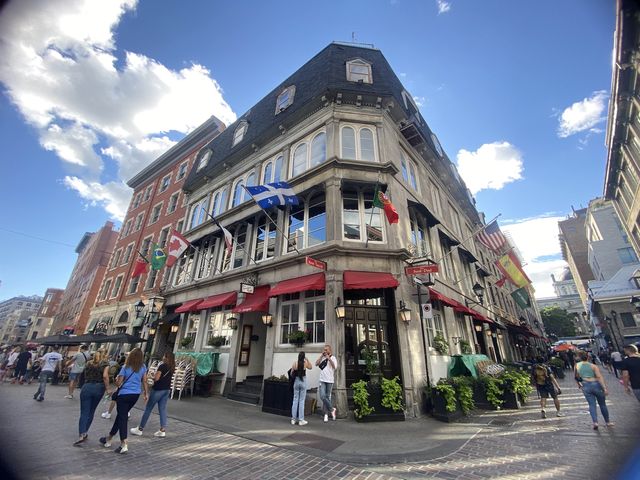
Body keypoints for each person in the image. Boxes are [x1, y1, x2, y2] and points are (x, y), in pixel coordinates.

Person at [100, 348, 148, 454]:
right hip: (135, 395)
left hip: (124, 394)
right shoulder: (143, 367)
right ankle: (109, 438)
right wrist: (146, 393)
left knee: (122, 418)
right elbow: (144, 380)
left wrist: (115, 380)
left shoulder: (125, 367)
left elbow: (119, 383)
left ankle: (124, 443)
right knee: (121, 416)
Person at [130, 352, 175, 438]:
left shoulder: (162, 366)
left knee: (148, 408)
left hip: (158, 389)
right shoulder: (172, 367)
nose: (162, 356)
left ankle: (140, 429)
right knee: (162, 409)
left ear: (166, 357)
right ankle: (162, 430)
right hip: (166, 390)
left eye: (164, 355)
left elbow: (157, 378)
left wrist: (152, 377)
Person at [74, 349, 111, 446]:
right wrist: (108, 389)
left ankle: (82, 433)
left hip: (87, 386)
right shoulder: (105, 363)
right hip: (99, 387)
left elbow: (83, 374)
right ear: (105, 354)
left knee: (84, 412)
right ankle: (85, 431)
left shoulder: (89, 363)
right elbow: (105, 376)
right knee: (91, 411)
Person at [575, 351, 612, 429]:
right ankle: (607, 422)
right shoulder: (593, 366)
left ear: (579, 357)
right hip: (596, 384)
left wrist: (579, 385)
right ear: (588, 357)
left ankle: (595, 422)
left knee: (592, 405)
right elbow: (599, 377)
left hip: (585, 385)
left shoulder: (577, 366)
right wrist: (604, 388)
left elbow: (576, 377)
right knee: (602, 404)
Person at [315, 344, 338, 422]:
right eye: (324, 350)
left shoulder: (333, 358)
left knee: (327, 397)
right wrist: (321, 356)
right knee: (322, 396)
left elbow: (335, 367)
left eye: (326, 350)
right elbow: (316, 364)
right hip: (322, 380)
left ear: (330, 350)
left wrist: (329, 359)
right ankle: (332, 409)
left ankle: (326, 414)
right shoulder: (323, 358)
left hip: (330, 380)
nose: (325, 351)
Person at [101, 354, 127, 419]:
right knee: (126, 402)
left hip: (122, 386)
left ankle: (109, 413)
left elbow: (119, 379)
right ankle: (127, 413)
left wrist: (116, 381)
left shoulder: (124, 367)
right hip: (132, 389)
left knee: (114, 398)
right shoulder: (140, 367)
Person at [290, 351, 312, 426]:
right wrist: (307, 359)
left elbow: (291, 372)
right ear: (304, 357)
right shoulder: (305, 363)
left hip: (296, 381)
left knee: (295, 399)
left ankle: (293, 419)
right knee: (302, 401)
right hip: (303, 381)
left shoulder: (295, 363)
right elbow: (311, 367)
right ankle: (301, 420)